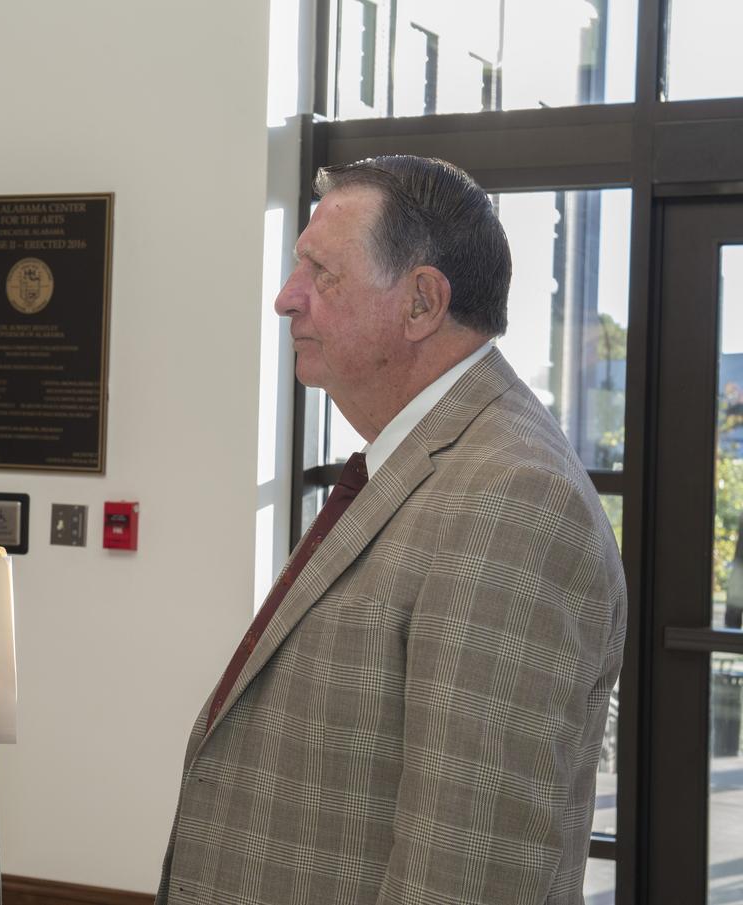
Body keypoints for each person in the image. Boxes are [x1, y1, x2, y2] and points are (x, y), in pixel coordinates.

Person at [157, 155, 626, 904]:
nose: (285, 297)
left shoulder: (513, 498)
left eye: (321, 271)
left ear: (421, 303)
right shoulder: (429, 466)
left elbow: (471, 874)